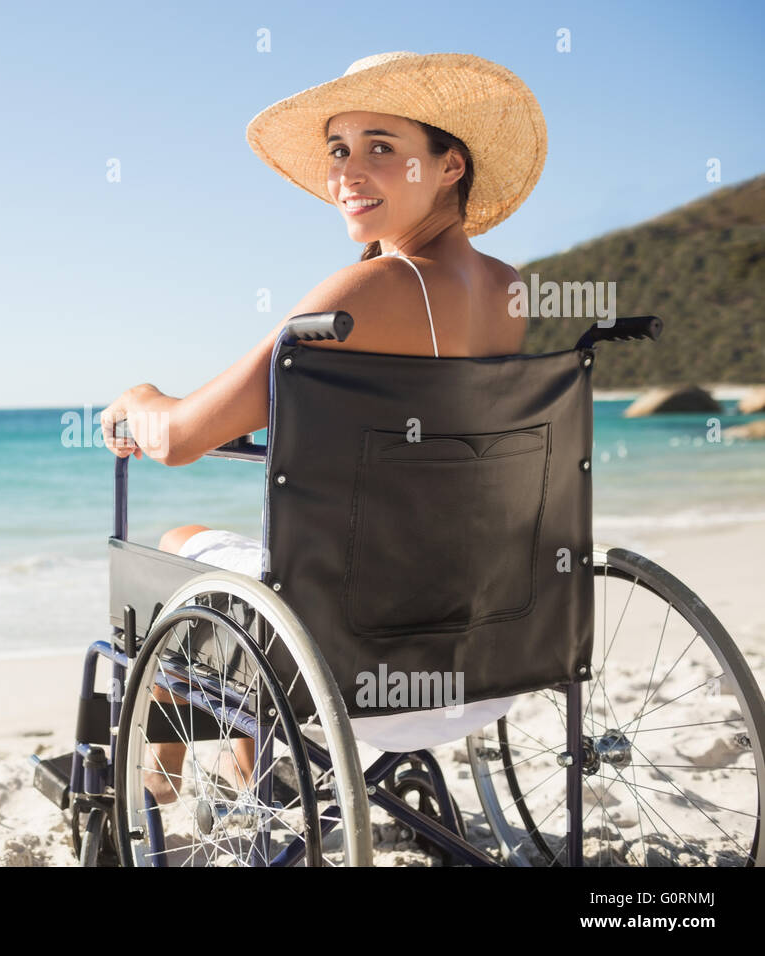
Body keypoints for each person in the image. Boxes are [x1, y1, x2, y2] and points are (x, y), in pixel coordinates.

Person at [99, 51, 549, 805]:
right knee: (267, 567)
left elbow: (178, 439)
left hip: (361, 669)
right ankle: (244, 767)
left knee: (179, 546)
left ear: (449, 167)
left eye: (382, 147)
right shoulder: (510, 288)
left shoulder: (366, 290)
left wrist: (138, 396)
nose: (348, 171)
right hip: (489, 657)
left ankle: (158, 783)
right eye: (339, 150)